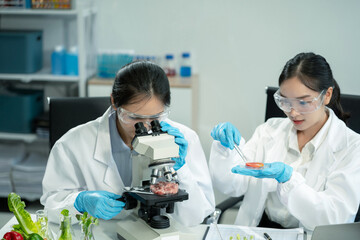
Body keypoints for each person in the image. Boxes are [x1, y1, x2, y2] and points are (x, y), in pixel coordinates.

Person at [41, 61, 215, 226]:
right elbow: (51, 206)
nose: (146, 126)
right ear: (114, 103)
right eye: (135, 117)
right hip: (101, 232)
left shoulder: (184, 139)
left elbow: (198, 216)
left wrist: (182, 170)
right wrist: (79, 203)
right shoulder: (73, 144)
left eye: (155, 118)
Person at [209, 52, 360, 232]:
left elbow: (334, 218)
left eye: (303, 103)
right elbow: (233, 186)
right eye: (285, 101)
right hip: (260, 230)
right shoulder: (269, 130)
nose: (293, 112)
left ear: (326, 95)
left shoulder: (351, 147)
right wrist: (227, 151)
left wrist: (290, 181)